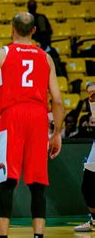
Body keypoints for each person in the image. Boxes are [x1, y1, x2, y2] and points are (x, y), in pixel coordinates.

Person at [0, 12, 65, 238]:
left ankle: (3, 237)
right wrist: (56, 132)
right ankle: (38, 236)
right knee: (38, 183)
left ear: (12, 28)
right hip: (38, 117)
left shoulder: (0, 55)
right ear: (34, 31)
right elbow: (57, 100)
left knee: (7, 181)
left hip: (12, 117)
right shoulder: (45, 58)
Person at [74, 82, 95, 232]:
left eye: (94, 91)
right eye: (89, 92)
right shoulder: (91, 105)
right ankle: (94, 220)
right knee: (87, 185)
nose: (92, 94)